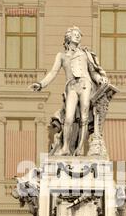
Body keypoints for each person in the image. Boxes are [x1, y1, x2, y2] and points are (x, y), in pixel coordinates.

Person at [30, 26, 108, 156]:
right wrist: (41, 84)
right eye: (75, 34)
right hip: (71, 86)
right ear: (68, 37)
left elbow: (93, 72)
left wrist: (100, 78)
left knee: (84, 117)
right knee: (68, 118)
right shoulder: (61, 56)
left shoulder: (85, 54)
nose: (78, 36)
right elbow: (53, 72)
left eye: (79, 34)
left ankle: (80, 149)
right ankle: (65, 147)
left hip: (85, 84)